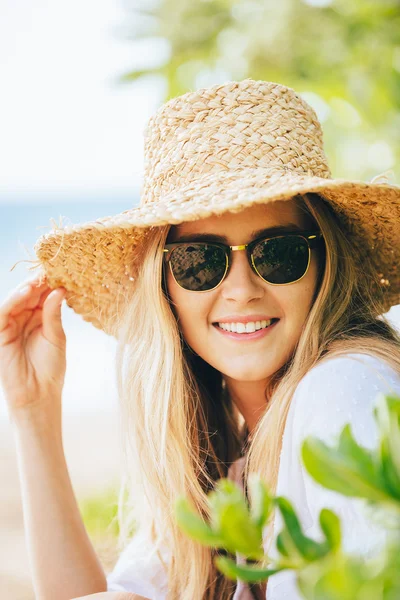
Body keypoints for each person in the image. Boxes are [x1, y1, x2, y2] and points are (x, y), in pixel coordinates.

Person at [1, 79, 400, 600]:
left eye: (277, 253)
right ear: (164, 288)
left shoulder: (344, 387)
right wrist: (33, 409)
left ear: (323, 265)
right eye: (199, 262)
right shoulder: (226, 460)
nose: (240, 291)